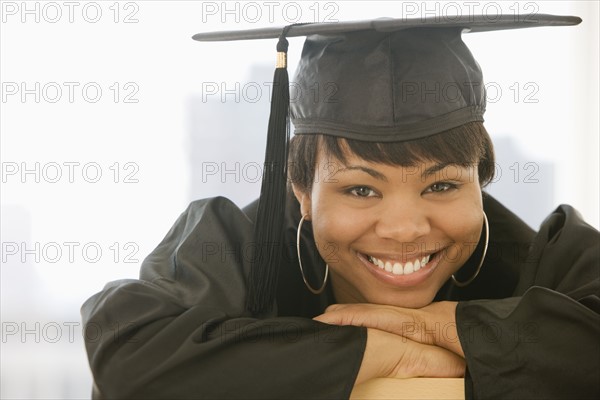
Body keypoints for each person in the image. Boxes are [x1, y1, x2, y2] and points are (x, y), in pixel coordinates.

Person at [81, 15, 599, 399]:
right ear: (301, 190)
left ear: (480, 183)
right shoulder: (232, 243)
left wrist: (433, 324)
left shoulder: (548, 257)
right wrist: (397, 352)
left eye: (441, 186)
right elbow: (129, 359)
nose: (402, 229)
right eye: (360, 190)